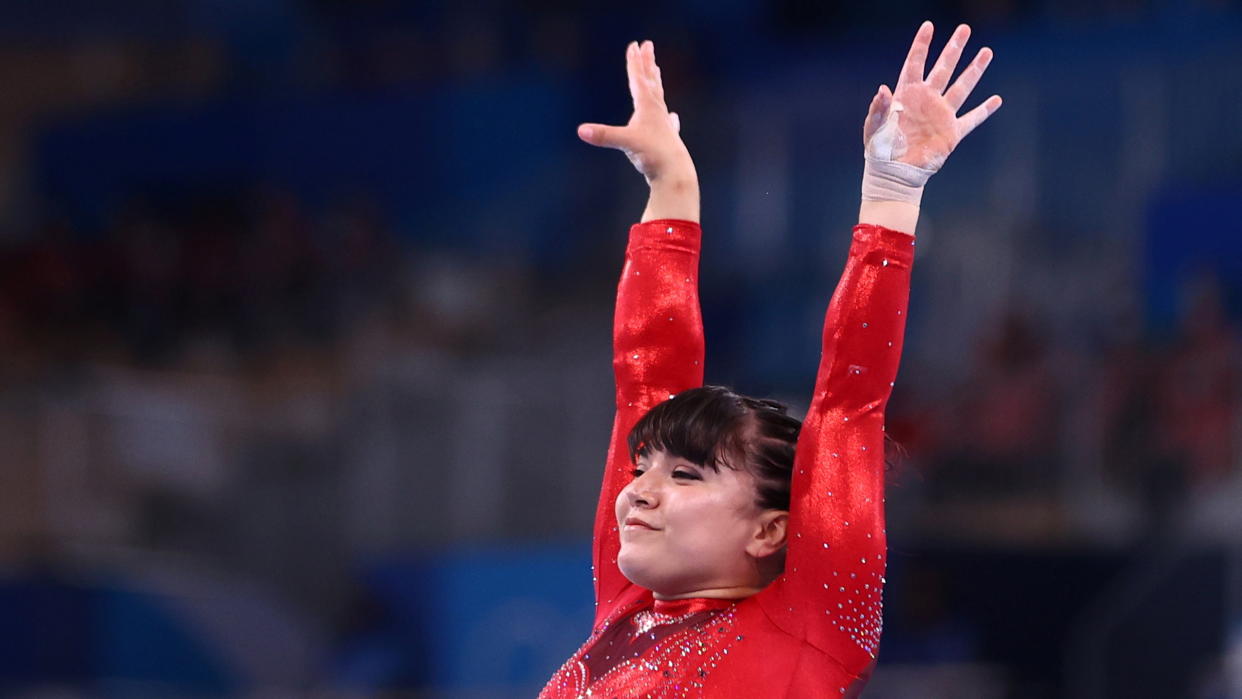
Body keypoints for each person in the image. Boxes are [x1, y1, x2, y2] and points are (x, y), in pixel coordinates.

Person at [540, 22, 1002, 697]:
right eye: (645, 468)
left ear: (770, 529)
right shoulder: (627, 604)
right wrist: (671, 185)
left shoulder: (811, 627)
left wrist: (894, 192)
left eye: (687, 474)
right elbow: (646, 380)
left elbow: (850, 400)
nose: (637, 490)